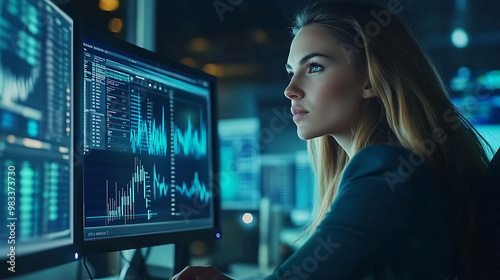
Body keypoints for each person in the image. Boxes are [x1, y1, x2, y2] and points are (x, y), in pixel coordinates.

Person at [171, 1, 497, 279]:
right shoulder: (404, 163)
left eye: (313, 67)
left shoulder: (385, 167)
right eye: (290, 71)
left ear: (370, 80)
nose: (290, 89)